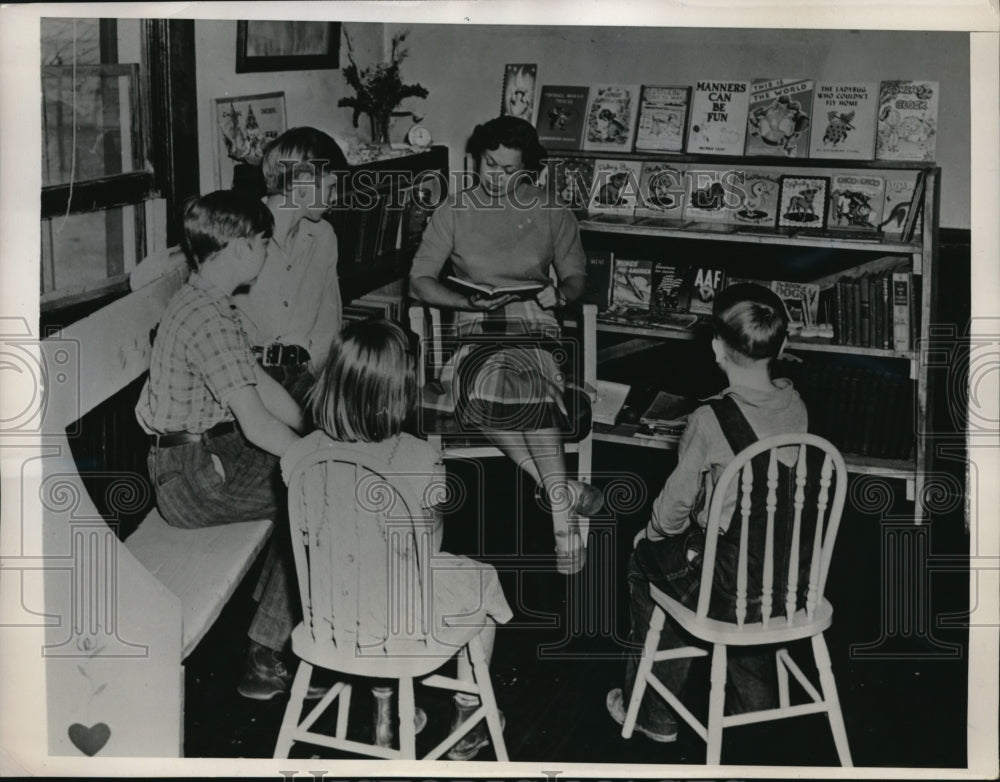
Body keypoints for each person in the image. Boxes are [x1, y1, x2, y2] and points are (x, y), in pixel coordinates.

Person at [280, 319, 513, 760]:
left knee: (367, 582)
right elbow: (431, 545)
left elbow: (310, 537)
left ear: (333, 382)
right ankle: (468, 720)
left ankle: (385, 716)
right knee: (482, 580)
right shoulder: (419, 455)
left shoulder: (299, 454)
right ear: (400, 393)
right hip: (401, 627)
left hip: (332, 622)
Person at [606, 283, 808, 743]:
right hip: (785, 577)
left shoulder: (708, 420)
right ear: (784, 345)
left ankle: (651, 712)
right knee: (733, 587)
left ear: (717, 348)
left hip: (726, 579)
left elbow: (675, 505)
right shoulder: (794, 402)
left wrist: (653, 534)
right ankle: (755, 709)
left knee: (650, 563)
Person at [408, 115, 604, 575]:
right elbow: (419, 281)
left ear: (529, 172)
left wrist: (561, 293)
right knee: (484, 381)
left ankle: (559, 519)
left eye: (512, 171)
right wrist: (466, 301)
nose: (498, 178)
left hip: (533, 326)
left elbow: (577, 277)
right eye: (490, 165)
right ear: (475, 159)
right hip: (476, 327)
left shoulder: (553, 212)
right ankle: (562, 495)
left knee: (521, 379)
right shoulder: (452, 211)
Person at [135, 190, 309, 700]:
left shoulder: (209, 299)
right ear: (237, 249)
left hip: (204, 458)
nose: (266, 251)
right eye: (261, 242)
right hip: (192, 476)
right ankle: (265, 653)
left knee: (305, 480)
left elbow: (255, 379)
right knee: (311, 496)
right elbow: (256, 425)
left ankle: (270, 630)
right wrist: (317, 458)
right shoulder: (208, 317)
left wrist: (315, 429)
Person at [233, 126, 348, 403]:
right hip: (247, 387)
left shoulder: (324, 237)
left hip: (305, 386)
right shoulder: (236, 234)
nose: (334, 198)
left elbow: (327, 329)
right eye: (331, 187)